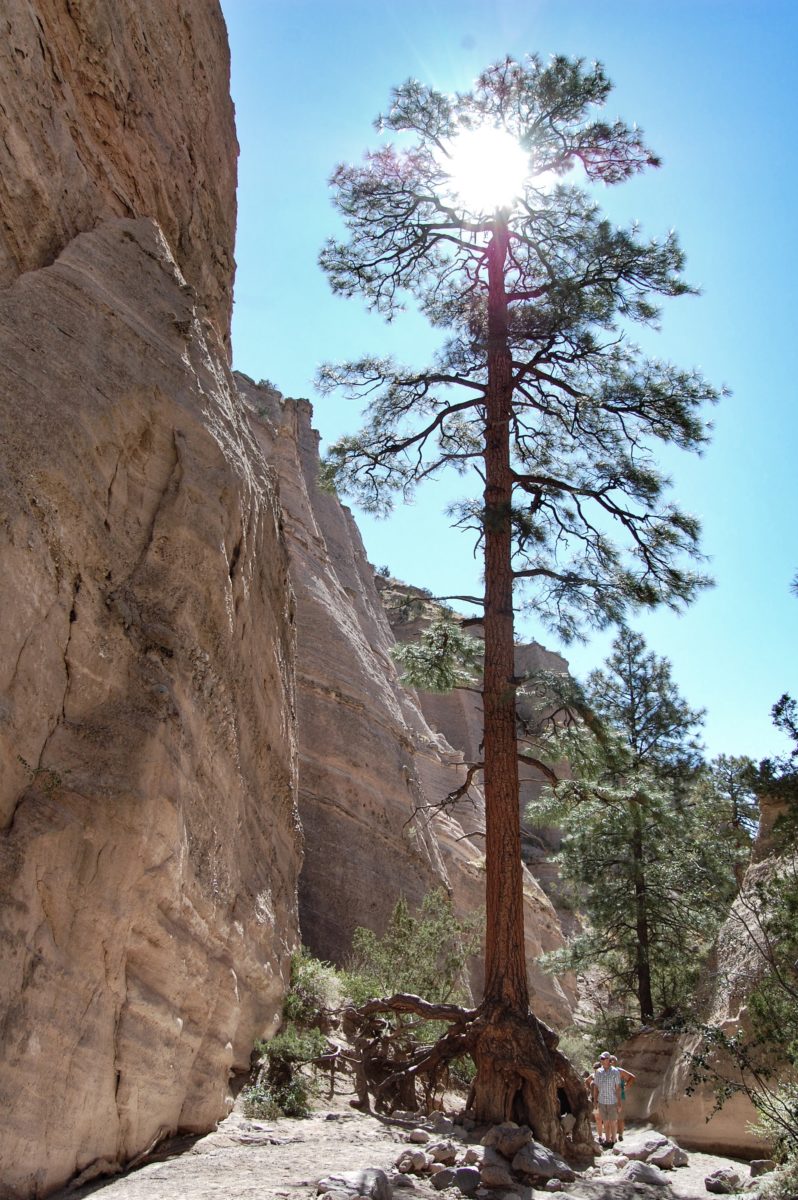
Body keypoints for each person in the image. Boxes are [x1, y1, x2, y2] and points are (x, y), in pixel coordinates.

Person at [592, 1051, 621, 1147]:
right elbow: (596, 1087)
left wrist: (619, 1103)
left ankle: (613, 1140)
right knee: (605, 1122)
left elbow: (618, 1088)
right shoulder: (599, 1072)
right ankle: (607, 1140)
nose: (602, 1060)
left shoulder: (615, 1072)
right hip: (602, 1101)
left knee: (613, 1121)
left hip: (612, 1101)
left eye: (604, 1058)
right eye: (601, 1058)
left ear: (609, 1060)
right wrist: (595, 1101)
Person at [610, 1055, 636, 1141]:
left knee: (620, 1117)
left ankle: (620, 1135)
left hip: (620, 1096)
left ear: (615, 1062)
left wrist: (625, 1087)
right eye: (609, 1060)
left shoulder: (619, 1070)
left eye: (612, 1060)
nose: (610, 1062)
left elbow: (632, 1077)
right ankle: (612, 1136)